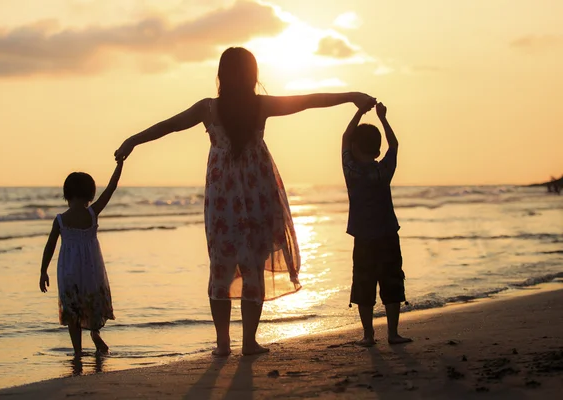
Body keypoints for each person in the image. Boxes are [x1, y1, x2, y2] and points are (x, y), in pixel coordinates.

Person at [114, 47, 376, 356]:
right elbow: (308, 100)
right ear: (253, 75)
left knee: (221, 270)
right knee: (253, 267)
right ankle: (249, 342)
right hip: (258, 193)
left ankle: (223, 344)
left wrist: (132, 140)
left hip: (222, 198)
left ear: (221, 75)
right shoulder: (260, 105)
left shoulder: (208, 109)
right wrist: (352, 95)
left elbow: (169, 125)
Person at [341, 102, 411, 346]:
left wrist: (359, 111)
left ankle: (369, 335)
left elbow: (344, 137)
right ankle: (392, 334)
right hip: (388, 235)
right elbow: (394, 145)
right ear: (376, 149)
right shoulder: (383, 171)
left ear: (355, 146)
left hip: (363, 238)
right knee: (392, 282)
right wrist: (383, 118)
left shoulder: (350, 171)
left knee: (364, 286)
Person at [39, 160, 123, 356]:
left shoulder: (60, 219)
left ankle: (77, 351)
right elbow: (111, 188)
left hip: (68, 272)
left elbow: (49, 245)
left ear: (66, 194)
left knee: (73, 312)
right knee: (93, 304)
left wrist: (43, 271)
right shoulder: (92, 213)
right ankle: (95, 334)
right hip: (92, 271)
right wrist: (120, 164)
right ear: (90, 195)